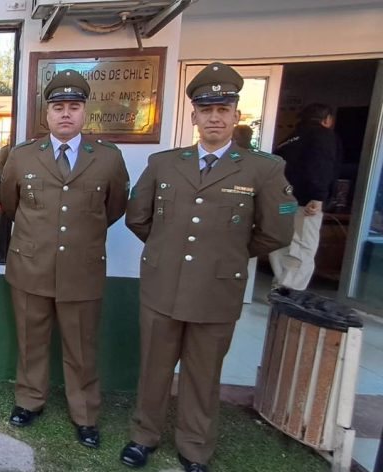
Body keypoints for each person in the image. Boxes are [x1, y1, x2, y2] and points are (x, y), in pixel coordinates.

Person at [120, 62, 295, 472]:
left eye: (223, 109)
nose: (214, 117)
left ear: (236, 115)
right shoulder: (164, 163)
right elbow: (138, 217)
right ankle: (143, 436)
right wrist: (166, 250)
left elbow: (276, 231)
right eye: (206, 110)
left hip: (216, 290)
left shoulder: (263, 169)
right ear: (194, 117)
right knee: (154, 369)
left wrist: (226, 254)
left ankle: (195, 447)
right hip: (163, 286)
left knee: (203, 374)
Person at [0, 69, 129, 448]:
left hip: (81, 269)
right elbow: (10, 204)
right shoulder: (22, 156)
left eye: (74, 106)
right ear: (47, 114)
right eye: (59, 107)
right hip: (31, 265)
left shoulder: (107, 158)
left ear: (84, 112)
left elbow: (114, 207)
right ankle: (29, 400)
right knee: (31, 341)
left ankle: (85, 414)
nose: (66, 114)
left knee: (81, 347)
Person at [268, 103, 338, 290]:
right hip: (305, 202)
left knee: (282, 244)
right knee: (303, 245)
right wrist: (318, 196)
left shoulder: (288, 139)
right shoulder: (323, 136)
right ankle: (289, 292)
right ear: (327, 119)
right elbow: (321, 165)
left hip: (281, 200)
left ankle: (280, 287)